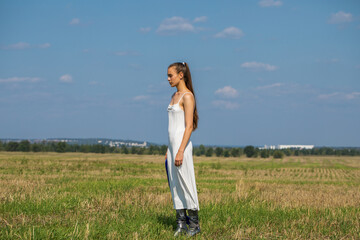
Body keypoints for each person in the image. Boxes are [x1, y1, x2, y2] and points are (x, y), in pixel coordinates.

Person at [165, 61, 200, 237]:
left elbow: (188, 127)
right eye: (167, 76)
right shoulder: (174, 96)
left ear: (181, 75)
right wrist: (169, 150)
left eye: (170, 75)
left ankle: (194, 225)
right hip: (172, 148)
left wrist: (179, 150)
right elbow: (172, 126)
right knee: (175, 185)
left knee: (186, 183)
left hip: (182, 147)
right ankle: (180, 224)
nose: (168, 79)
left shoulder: (187, 96)